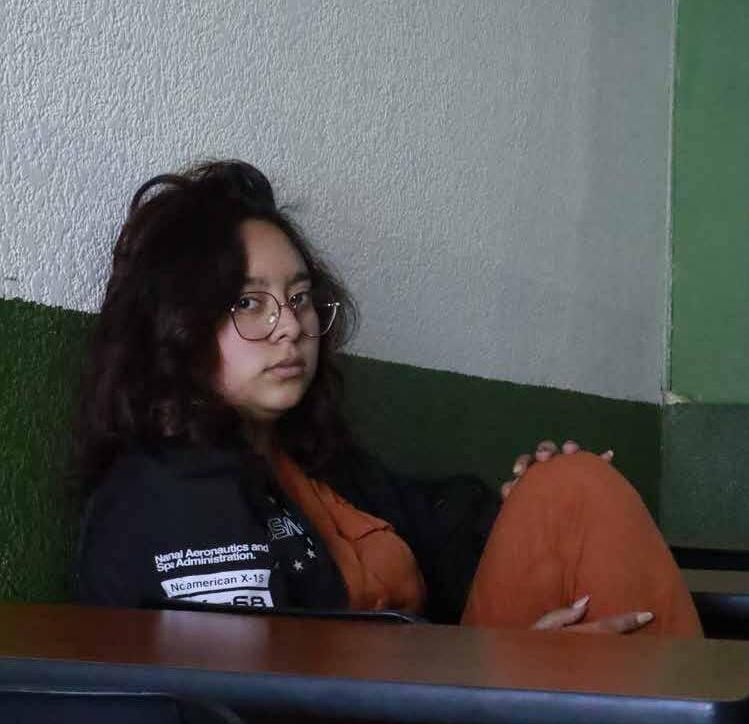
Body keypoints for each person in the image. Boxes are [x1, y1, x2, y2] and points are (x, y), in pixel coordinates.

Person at [75, 160, 701, 638]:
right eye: (247, 302)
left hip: (437, 708)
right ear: (179, 327)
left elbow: (442, 530)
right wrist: (502, 679)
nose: (289, 325)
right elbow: (264, 710)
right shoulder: (171, 491)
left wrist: (523, 507)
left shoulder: (314, 467)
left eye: (298, 298)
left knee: (569, 489)